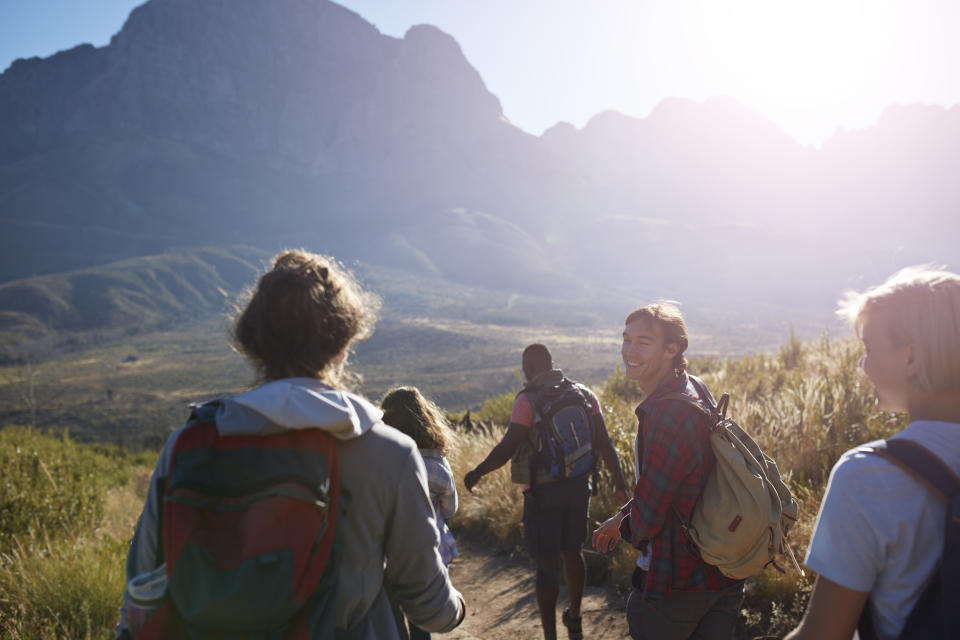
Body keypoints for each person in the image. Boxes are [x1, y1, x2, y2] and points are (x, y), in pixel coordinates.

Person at [115, 250, 465, 640]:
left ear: (253, 340)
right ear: (345, 339)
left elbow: (143, 587)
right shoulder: (389, 452)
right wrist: (457, 612)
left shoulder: (191, 442)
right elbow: (428, 604)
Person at [785, 266, 960, 640]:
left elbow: (822, 634)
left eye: (868, 349)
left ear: (911, 357)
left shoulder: (869, 476)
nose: (862, 366)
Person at [591, 302, 744, 640]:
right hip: (722, 572)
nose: (630, 351)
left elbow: (648, 520)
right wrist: (622, 515)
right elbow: (679, 480)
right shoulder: (695, 389)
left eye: (643, 342)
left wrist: (630, 525)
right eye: (627, 339)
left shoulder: (665, 415)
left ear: (672, 349)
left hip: (675, 583)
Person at [464, 343, 629, 640]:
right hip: (579, 487)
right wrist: (619, 484)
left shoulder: (528, 401)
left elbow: (507, 447)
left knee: (546, 565)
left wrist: (477, 472)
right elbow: (605, 443)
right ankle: (575, 618)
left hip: (542, 493)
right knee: (573, 554)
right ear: (552, 363)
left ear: (527, 369)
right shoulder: (584, 393)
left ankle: (551, 635)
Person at [381, 386, 460, 640]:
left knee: (393, 618)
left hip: (391, 553)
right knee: (422, 621)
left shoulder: (386, 462)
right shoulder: (438, 463)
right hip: (433, 552)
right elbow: (451, 509)